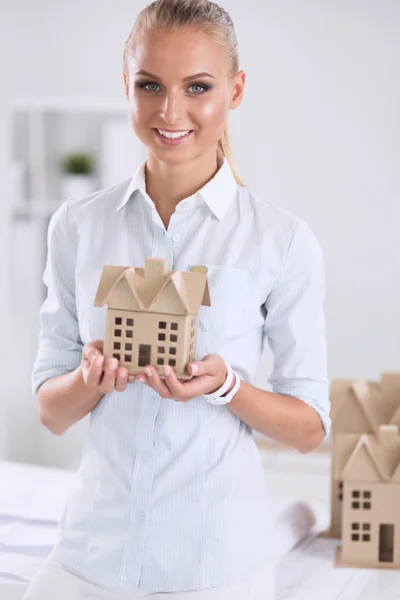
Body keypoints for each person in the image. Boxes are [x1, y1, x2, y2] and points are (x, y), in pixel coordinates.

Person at [25, 0, 331, 598]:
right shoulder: (76, 226)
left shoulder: (282, 241)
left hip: (214, 563)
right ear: (127, 86)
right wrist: (92, 377)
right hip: (90, 553)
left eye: (198, 86)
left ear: (236, 90)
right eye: (149, 85)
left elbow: (310, 429)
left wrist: (227, 387)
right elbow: (51, 412)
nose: (170, 112)